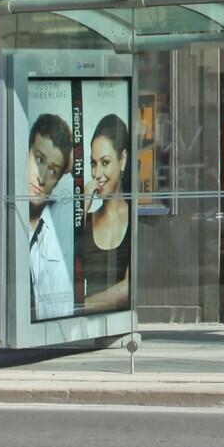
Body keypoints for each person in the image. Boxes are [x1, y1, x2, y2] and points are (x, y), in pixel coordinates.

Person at [79, 113, 132, 314]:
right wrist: (82, 208)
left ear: (123, 160)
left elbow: (127, 289)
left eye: (105, 162)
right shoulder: (87, 220)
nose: (96, 174)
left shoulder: (135, 218)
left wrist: (79, 306)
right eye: (93, 163)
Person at [24, 114, 75, 322]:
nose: (42, 177)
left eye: (53, 170)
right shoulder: (6, 218)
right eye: (38, 159)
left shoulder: (59, 228)